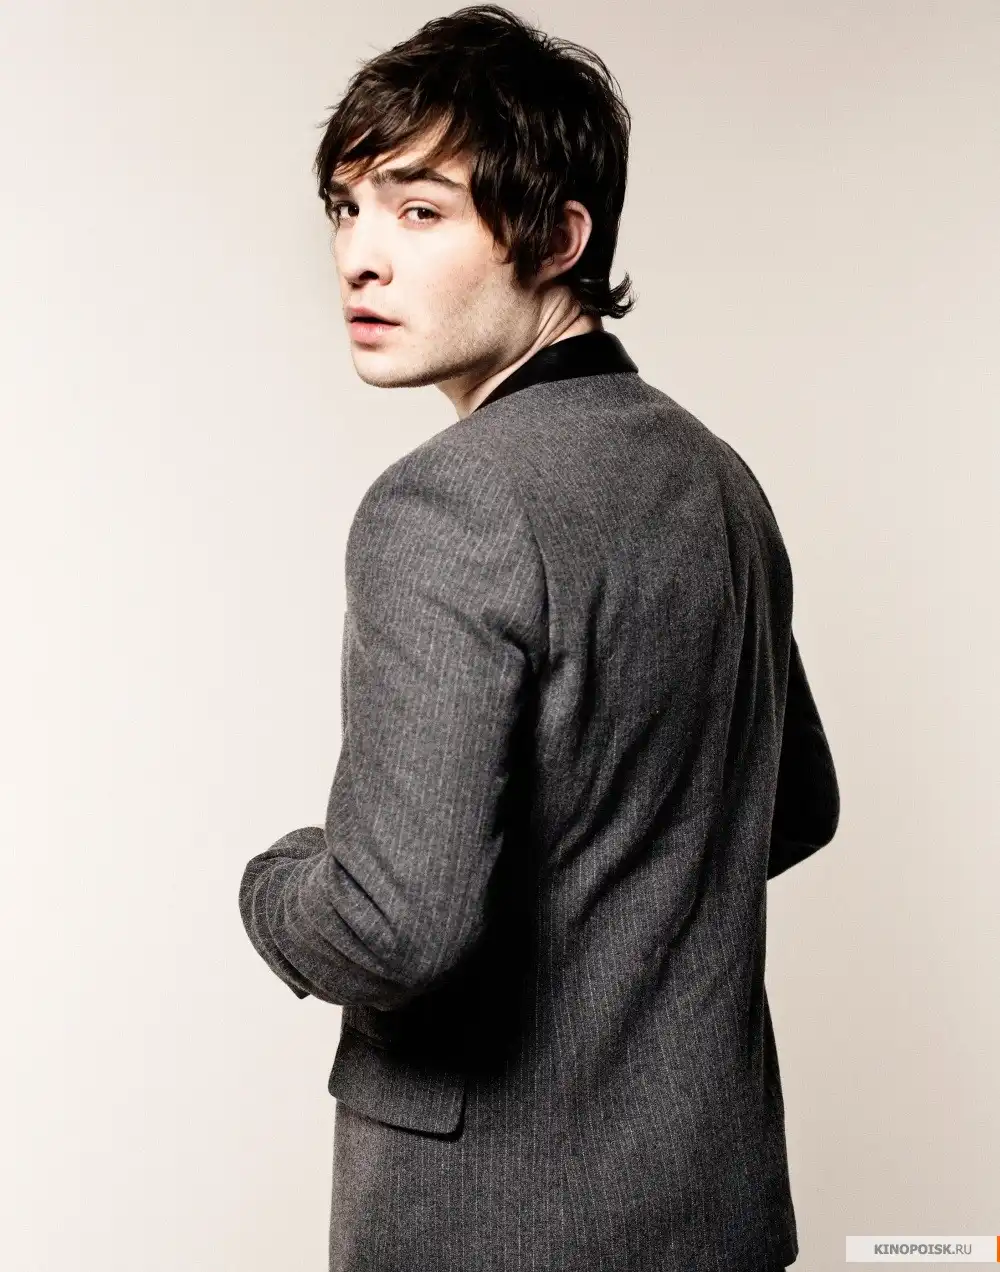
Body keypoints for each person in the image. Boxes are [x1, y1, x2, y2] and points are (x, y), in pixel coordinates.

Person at [238, 6, 840, 1270]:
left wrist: (273, 884)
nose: (358, 258)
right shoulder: (718, 480)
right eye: (346, 207)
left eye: (420, 211)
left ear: (560, 238)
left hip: (489, 1226)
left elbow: (390, 927)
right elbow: (792, 808)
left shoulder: (445, 504)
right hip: (712, 1209)